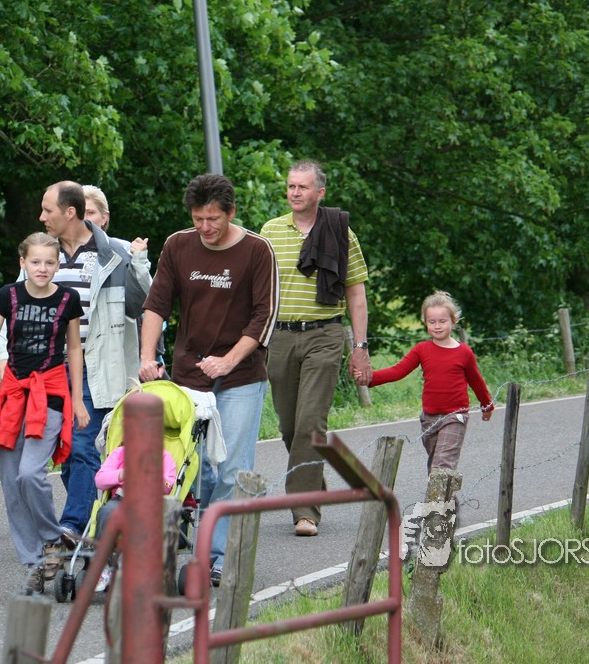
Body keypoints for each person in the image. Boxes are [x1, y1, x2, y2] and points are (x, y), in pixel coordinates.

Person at [138, 173, 278, 587]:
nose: (205, 227)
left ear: (230, 212)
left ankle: (218, 556)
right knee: (193, 465)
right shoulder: (178, 245)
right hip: (188, 374)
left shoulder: (257, 250)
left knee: (233, 467)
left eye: (213, 219)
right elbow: (156, 305)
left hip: (241, 376)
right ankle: (198, 530)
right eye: (198, 218)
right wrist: (147, 357)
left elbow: (264, 316)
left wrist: (228, 361)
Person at [0, 182, 151, 544]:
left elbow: (141, 306)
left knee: (83, 446)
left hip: (94, 367)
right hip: (45, 370)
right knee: (64, 451)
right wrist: (3, 355)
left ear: (69, 212)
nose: (41, 216)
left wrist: (140, 265)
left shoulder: (115, 253)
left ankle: (74, 524)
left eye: (47, 209)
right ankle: (87, 521)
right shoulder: (42, 255)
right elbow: (15, 306)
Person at [259, 159, 372, 538]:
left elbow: (356, 293)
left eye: (302, 187)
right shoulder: (271, 231)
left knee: (310, 423)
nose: (294, 192)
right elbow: (257, 288)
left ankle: (304, 511)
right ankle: (313, 484)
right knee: (290, 426)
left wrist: (360, 347)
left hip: (324, 335)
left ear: (319, 193)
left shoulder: (340, 233)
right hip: (280, 337)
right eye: (291, 186)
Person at [0, 232, 90, 594]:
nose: (43, 268)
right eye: (35, 262)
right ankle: (35, 561)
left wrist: (78, 400)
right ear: (23, 262)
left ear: (58, 264)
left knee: (30, 474)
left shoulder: (67, 300)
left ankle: (52, 539)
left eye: (50, 262)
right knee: (11, 483)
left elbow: (74, 350)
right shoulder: (7, 296)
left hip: (49, 394)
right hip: (12, 395)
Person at [367, 291, 494, 473]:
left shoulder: (464, 352)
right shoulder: (422, 349)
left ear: (453, 321)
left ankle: (439, 492)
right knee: (435, 465)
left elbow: (477, 381)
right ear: (425, 323)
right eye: (432, 322)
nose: (437, 326)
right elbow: (398, 371)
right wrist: (370, 378)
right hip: (429, 419)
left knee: (442, 465)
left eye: (442, 321)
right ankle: (443, 492)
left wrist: (487, 405)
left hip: (455, 416)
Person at [92, 443, 177, 591]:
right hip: (122, 500)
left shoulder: (164, 457)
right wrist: (121, 474)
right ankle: (103, 566)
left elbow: (169, 486)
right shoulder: (120, 453)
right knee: (106, 512)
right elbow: (99, 480)